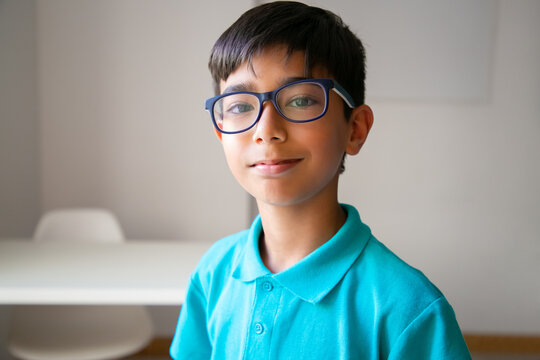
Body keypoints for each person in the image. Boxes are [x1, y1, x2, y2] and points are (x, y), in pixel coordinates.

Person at [170, 1, 471, 359]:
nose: (266, 131)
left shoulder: (408, 309)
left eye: (300, 100)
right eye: (239, 105)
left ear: (355, 129)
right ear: (221, 133)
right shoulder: (213, 273)